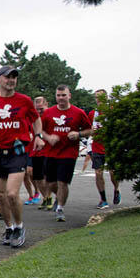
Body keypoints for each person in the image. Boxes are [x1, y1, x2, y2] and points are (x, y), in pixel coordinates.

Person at [0, 66, 44, 248]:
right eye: (7, 77)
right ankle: (8, 227)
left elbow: (36, 119)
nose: (11, 80)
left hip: (17, 151)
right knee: (1, 195)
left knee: (12, 194)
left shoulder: (24, 101)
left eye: (14, 77)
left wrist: (38, 136)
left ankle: (19, 227)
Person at [41, 84, 92, 222]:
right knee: (51, 183)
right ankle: (60, 197)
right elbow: (40, 130)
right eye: (58, 95)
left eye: (64, 95)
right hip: (51, 152)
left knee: (63, 182)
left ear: (69, 96)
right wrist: (48, 138)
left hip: (68, 153)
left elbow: (90, 130)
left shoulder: (78, 112)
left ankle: (60, 208)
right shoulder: (48, 113)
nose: (61, 98)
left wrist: (79, 133)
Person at [89, 89, 120, 209]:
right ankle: (103, 199)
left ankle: (116, 189)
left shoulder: (112, 111)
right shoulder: (93, 113)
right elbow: (88, 129)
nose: (98, 100)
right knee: (98, 173)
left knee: (113, 172)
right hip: (97, 146)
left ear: (106, 98)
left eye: (101, 97)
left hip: (110, 146)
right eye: (96, 97)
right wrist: (91, 131)